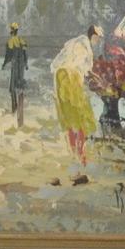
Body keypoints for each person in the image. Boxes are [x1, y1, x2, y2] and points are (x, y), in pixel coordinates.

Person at [52, 25, 102, 169]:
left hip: (60, 78)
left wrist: (93, 76)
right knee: (82, 117)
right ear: (93, 36)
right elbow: (81, 68)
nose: (98, 41)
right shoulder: (84, 46)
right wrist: (96, 78)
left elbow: (57, 63)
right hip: (70, 78)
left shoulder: (75, 42)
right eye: (98, 38)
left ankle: (75, 153)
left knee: (70, 117)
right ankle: (81, 155)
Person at [2, 23, 31, 128]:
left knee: (13, 86)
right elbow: (25, 54)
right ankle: (18, 107)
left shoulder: (10, 41)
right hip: (21, 64)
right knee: (19, 84)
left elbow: (8, 56)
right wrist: (26, 64)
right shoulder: (21, 40)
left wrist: (4, 64)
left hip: (15, 64)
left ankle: (14, 107)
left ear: (11, 31)